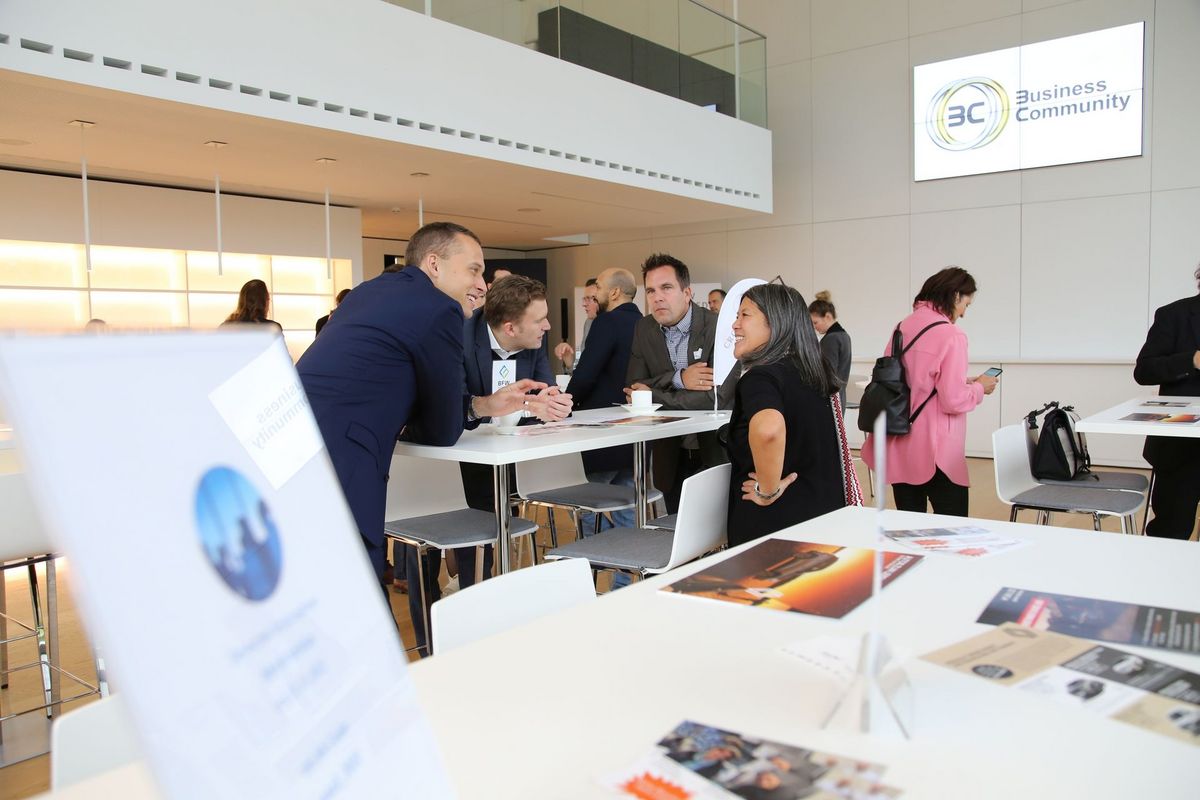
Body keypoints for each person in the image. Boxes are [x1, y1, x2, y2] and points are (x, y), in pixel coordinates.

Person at [296, 221, 542, 656]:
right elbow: (442, 430)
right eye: (473, 270)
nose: (482, 285)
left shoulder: (372, 291)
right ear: (434, 264)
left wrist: (481, 404)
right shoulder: (438, 309)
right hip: (344, 454)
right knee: (358, 587)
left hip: (299, 442)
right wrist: (472, 408)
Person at [458, 274, 572, 583]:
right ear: (510, 328)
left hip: (511, 455)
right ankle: (472, 589)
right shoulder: (460, 337)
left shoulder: (532, 339)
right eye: (540, 320)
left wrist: (553, 404)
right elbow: (452, 405)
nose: (547, 326)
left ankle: (503, 585)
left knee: (506, 514)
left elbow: (544, 391)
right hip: (460, 459)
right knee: (478, 519)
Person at [863, 267, 998, 516]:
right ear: (955, 295)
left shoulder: (902, 327)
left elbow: (908, 380)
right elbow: (953, 400)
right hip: (937, 452)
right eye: (966, 304)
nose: (963, 313)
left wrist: (963, 381)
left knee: (909, 525)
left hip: (901, 442)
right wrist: (980, 388)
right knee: (953, 528)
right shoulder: (952, 335)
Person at [725, 284, 846, 547]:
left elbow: (768, 430)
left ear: (776, 323)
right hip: (825, 521)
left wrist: (767, 490)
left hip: (773, 531)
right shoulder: (815, 374)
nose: (735, 325)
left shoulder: (761, 378)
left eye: (745, 315)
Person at [626, 254, 733, 513]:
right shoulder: (644, 328)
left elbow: (715, 398)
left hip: (716, 452)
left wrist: (654, 395)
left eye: (666, 288)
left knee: (719, 531)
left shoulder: (718, 327)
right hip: (670, 456)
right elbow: (633, 387)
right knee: (675, 529)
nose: (657, 297)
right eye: (651, 291)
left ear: (687, 293)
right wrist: (679, 378)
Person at [566, 267, 642, 532]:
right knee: (626, 509)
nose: (594, 294)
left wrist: (566, 402)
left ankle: (600, 553)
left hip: (601, 433)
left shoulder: (607, 322)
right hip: (634, 433)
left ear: (615, 292)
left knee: (581, 504)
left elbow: (586, 374)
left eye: (598, 287)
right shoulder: (645, 323)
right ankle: (626, 558)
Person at [1133, 263, 1200, 540]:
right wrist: (1191, 360)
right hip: (1181, 449)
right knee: (1171, 531)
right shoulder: (1174, 314)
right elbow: (1144, 371)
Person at [808, 290, 852, 407]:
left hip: (830, 402)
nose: (814, 327)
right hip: (839, 398)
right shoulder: (844, 336)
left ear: (827, 316)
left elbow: (827, 376)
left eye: (815, 322)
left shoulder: (831, 339)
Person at [554, 277, 599, 372]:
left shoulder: (616, 326)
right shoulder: (588, 323)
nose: (584, 304)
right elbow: (582, 366)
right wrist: (569, 361)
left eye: (589, 299)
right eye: (584, 299)